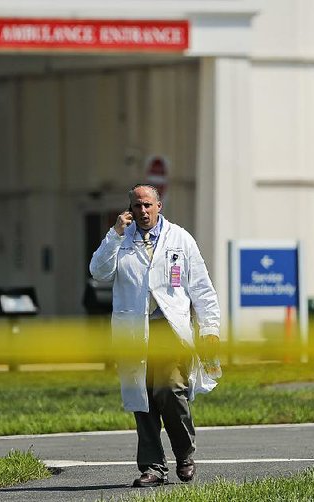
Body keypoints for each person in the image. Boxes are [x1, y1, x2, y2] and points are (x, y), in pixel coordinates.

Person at [89, 184, 221, 487]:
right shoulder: (121, 241)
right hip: (135, 330)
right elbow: (98, 271)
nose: (143, 211)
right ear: (130, 210)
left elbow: (201, 288)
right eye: (137, 206)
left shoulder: (180, 239)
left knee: (170, 389)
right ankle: (153, 468)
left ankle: (184, 453)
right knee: (143, 398)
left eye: (148, 205)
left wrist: (210, 329)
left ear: (159, 206)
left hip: (169, 329)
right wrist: (114, 235)